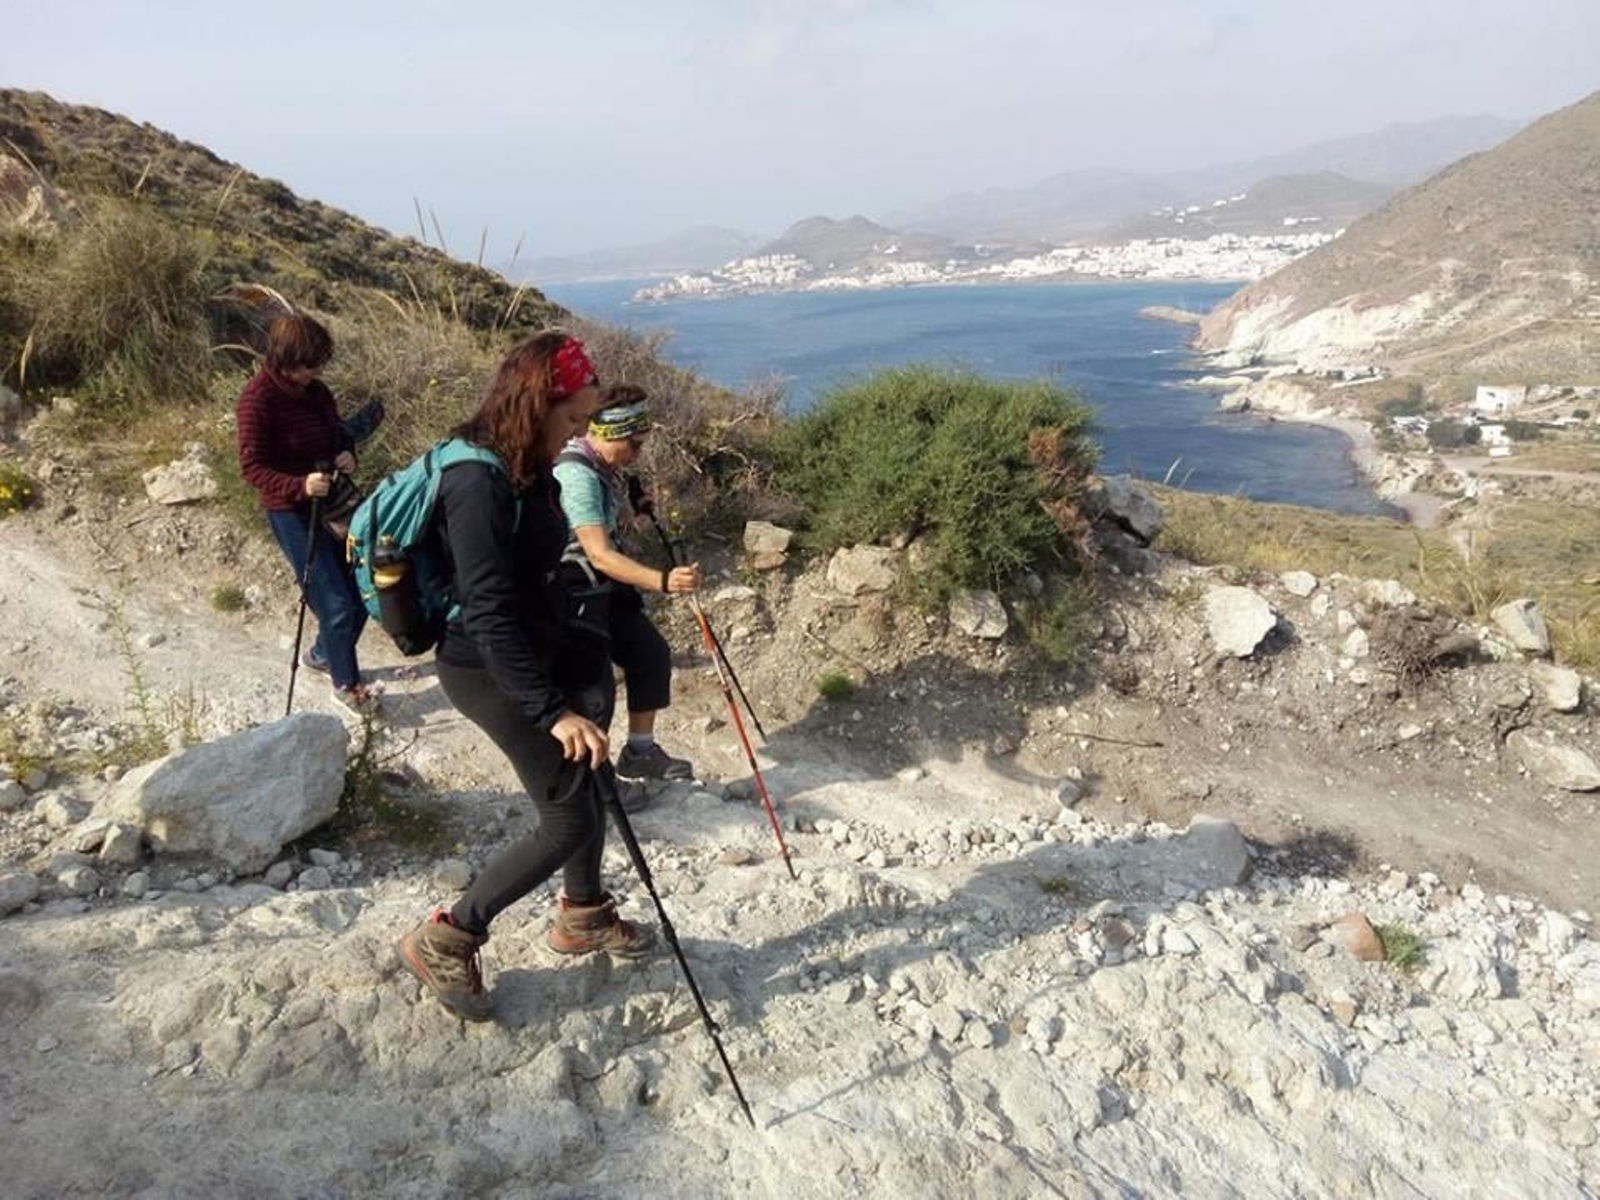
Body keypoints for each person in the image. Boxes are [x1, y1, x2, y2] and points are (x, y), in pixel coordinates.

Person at [396, 333, 655, 1023]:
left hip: (540, 650)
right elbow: (486, 609)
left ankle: (584, 915)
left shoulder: (522, 463)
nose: (578, 435)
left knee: (592, 780)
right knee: (568, 814)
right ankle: (447, 935)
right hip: (486, 666)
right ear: (540, 404)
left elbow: (534, 572)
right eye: (572, 421)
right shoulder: (475, 480)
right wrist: (550, 710)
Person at [553, 385, 703, 785]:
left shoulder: (602, 466)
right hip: (574, 595)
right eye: (633, 444)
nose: (637, 452)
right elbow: (598, 553)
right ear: (605, 433)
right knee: (593, 694)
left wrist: (632, 507)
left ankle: (639, 753)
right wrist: (664, 581)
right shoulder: (576, 475)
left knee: (649, 654)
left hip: (604, 590)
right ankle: (592, 787)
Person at [236, 313, 377, 716]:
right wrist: (300, 485)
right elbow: (252, 469)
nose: (316, 372)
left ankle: (321, 652)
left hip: (333, 504)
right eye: (309, 365)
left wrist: (344, 454)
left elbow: (334, 433)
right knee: (335, 601)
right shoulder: (256, 401)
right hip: (291, 513)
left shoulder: (316, 392)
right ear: (285, 359)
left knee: (362, 590)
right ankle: (347, 685)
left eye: (319, 365)